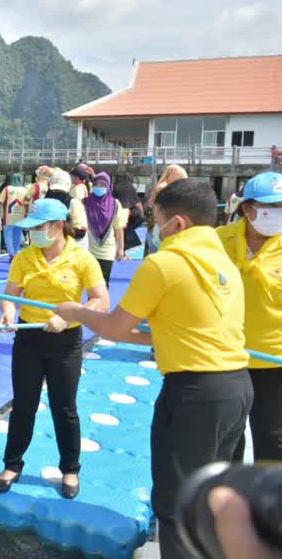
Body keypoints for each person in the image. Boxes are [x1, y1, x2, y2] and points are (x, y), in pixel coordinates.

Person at [55, 178, 253, 558]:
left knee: (177, 501)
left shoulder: (165, 264)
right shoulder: (224, 261)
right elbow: (170, 333)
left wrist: (74, 311)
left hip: (194, 393)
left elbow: (113, 328)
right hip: (236, 389)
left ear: (177, 223)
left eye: (155, 219)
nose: (150, 229)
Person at [0, 199, 109, 499]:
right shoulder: (25, 257)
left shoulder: (82, 258)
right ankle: (12, 464)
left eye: (38, 227)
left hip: (66, 342)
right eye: (30, 228)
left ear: (58, 226)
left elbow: (100, 300)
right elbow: (10, 294)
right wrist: (7, 312)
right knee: (24, 405)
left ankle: (69, 468)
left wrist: (69, 314)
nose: (32, 234)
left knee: (64, 407)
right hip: (29, 339)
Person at [217, 172, 282, 463]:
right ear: (247, 207)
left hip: (274, 360)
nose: (277, 213)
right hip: (225, 356)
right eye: (272, 206)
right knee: (227, 438)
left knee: (272, 438)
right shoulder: (218, 241)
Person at [84, 172, 126, 287]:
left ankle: (102, 305)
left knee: (103, 283)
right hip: (88, 249)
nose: (99, 187)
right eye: (97, 184)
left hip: (107, 250)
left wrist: (121, 249)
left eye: (103, 184)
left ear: (108, 186)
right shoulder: (85, 202)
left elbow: (118, 228)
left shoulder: (115, 204)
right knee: (90, 284)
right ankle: (92, 304)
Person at [46, 168, 87, 244]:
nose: (57, 193)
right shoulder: (45, 203)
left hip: (71, 246)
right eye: (55, 190)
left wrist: (61, 230)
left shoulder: (74, 203)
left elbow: (81, 232)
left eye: (61, 191)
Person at [113, 173, 144, 250]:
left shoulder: (115, 187)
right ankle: (126, 246)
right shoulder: (130, 187)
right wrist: (142, 216)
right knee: (128, 230)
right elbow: (138, 204)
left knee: (121, 231)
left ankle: (121, 248)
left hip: (117, 214)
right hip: (128, 215)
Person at [0, 173, 27, 260]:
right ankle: (15, 253)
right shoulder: (24, 190)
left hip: (8, 217)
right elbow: (27, 203)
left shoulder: (7, 189)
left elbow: (0, 202)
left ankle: (11, 254)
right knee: (17, 236)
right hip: (20, 217)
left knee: (7, 236)